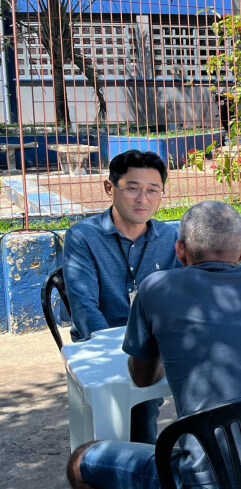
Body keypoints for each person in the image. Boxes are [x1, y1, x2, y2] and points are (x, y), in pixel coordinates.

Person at [66, 200, 241, 489]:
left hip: (205, 481)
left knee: (80, 462)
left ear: (179, 251)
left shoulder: (154, 288)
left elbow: (142, 379)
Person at [63, 149, 179, 443]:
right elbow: (84, 307)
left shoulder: (170, 238)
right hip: (102, 346)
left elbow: (182, 299)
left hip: (154, 349)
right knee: (133, 410)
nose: (143, 199)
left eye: (153, 190)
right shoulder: (83, 236)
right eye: (132, 188)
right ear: (109, 187)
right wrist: (121, 356)